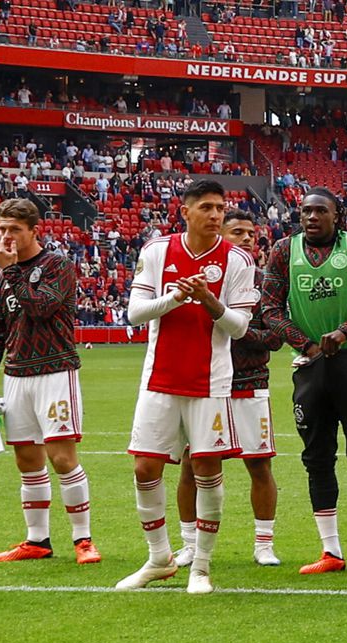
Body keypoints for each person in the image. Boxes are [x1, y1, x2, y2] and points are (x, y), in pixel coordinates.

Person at [117, 179, 257, 595]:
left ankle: (201, 566)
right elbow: (135, 314)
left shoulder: (238, 261)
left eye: (220, 208)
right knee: (145, 467)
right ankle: (159, 558)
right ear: (186, 211)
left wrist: (210, 301)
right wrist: (176, 298)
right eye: (208, 208)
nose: (216, 216)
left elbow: (240, 326)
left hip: (210, 382)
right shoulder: (157, 252)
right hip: (159, 378)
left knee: (206, 468)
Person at [261, 188, 347, 575]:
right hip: (308, 363)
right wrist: (303, 342)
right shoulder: (283, 252)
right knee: (316, 457)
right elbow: (269, 307)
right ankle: (331, 551)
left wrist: (344, 332)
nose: (311, 217)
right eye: (305, 211)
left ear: (338, 215)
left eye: (320, 211)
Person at [0, 198, 99, 566]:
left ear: (33, 231)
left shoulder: (57, 265)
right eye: (2, 229)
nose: (7, 237)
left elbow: (41, 308)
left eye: (15, 230)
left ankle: (83, 540)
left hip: (56, 371)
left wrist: (10, 272)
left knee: (61, 457)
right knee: (27, 460)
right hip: (17, 376)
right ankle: (37, 541)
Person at [175, 209, 285, 568]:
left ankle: (264, 543)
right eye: (238, 232)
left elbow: (274, 337)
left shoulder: (266, 282)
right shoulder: (194, 279)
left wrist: (230, 323)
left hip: (250, 384)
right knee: (192, 465)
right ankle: (190, 543)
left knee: (259, 464)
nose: (248, 238)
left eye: (251, 233)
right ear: (218, 234)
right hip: (204, 383)